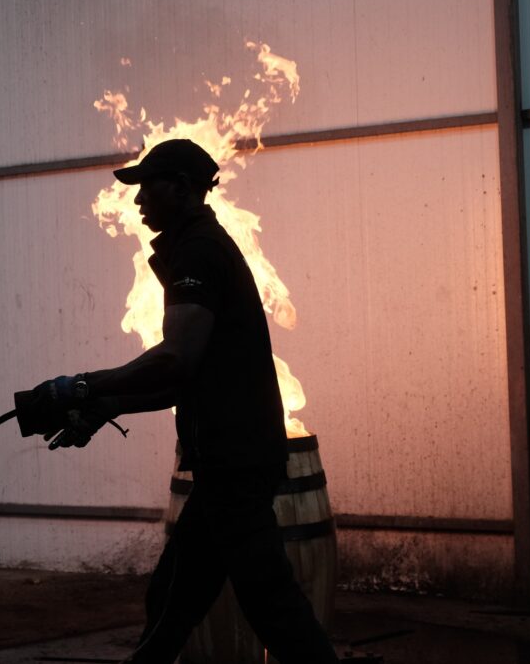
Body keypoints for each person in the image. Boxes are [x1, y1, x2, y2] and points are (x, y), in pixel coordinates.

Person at [23, 138, 339, 664]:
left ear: (184, 189)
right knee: (175, 594)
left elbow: (177, 359)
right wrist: (107, 407)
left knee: (267, 602)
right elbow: (182, 381)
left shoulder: (199, 250)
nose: (139, 200)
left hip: (235, 463)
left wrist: (82, 385)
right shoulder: (193, 246)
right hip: (228, 462)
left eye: (149, 186)